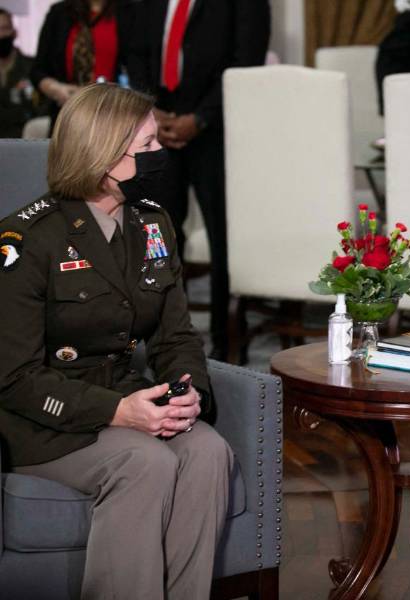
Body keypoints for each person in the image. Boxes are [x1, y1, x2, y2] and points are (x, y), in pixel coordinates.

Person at [0, 83, 232, 598]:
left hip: (131, 400)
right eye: (146, 146)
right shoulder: (25, 240)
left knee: (209, 452)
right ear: (102, 155)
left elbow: (176, 336)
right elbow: (13, 378)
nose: (160, 154)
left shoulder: (152, 224)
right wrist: (118, 411)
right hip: (49, 421)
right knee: (144, 462)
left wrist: (185, 392)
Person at [128, 0, 271, 360]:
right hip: (159, 127)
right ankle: (170, 341)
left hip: (219, 131)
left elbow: (245, 60)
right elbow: (136, 51)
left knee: (225, 240)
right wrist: (152, 111)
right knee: (158, 237)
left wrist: (201, 118)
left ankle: (226, 346)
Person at [30, 0, 138, 130]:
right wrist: (56, 89)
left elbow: (140, 71)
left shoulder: (131, 11)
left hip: (115, 117)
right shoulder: (59, 13)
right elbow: (38, 70)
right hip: (68, 115)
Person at [0, 8, 40, 137]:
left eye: (5, 28)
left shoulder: (33, 68)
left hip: (24, 141)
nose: (1, 35)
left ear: (14, 32)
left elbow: (42, 109)